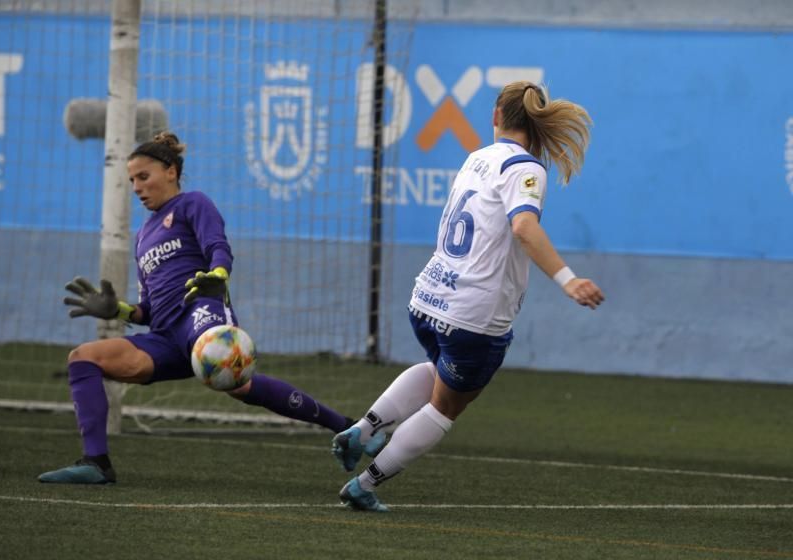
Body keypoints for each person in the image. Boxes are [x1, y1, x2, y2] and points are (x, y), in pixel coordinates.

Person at [331, 81, 605, 512]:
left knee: (436, 368)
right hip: (474, 316)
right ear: (535, 125)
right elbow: (523, 227)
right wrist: (567, 279)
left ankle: (364, 429)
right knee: (445, 408)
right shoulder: (526, 170)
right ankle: (365, 484)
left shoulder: (477, 158)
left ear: (496, 118)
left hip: (428, 298)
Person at [39, 132, 353, 484]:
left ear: (170, 171)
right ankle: (96, 463)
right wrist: (120, 312)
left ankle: (346, 429)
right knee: (83, 357)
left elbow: (218, 247)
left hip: (201, 312)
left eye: (144, 177)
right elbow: (150, 310)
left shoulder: (193, 204)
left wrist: (218, 276)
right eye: (132, 181)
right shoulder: (143, 236)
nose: (137, 187)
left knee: (236, 383)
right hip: (166, 336)